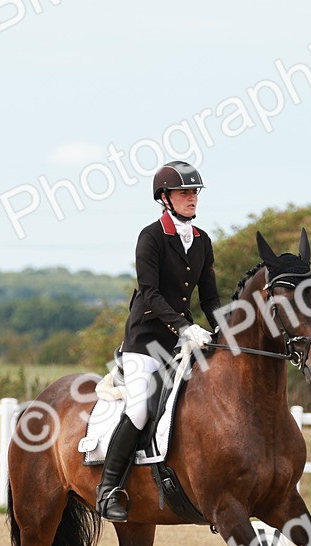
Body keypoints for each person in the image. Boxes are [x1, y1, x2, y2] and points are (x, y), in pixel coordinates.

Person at [95, 160, 222, 521]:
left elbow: (210, 299)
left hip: (185, 342)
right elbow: (150, 293)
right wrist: (184, 327)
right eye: (184, 192)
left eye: (194, 192)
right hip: (146, 341)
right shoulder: (150, 237)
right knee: (139, 408)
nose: (192, 198)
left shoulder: (201, 241)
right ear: (164, 197)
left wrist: (225, 332)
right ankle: (108, 489)